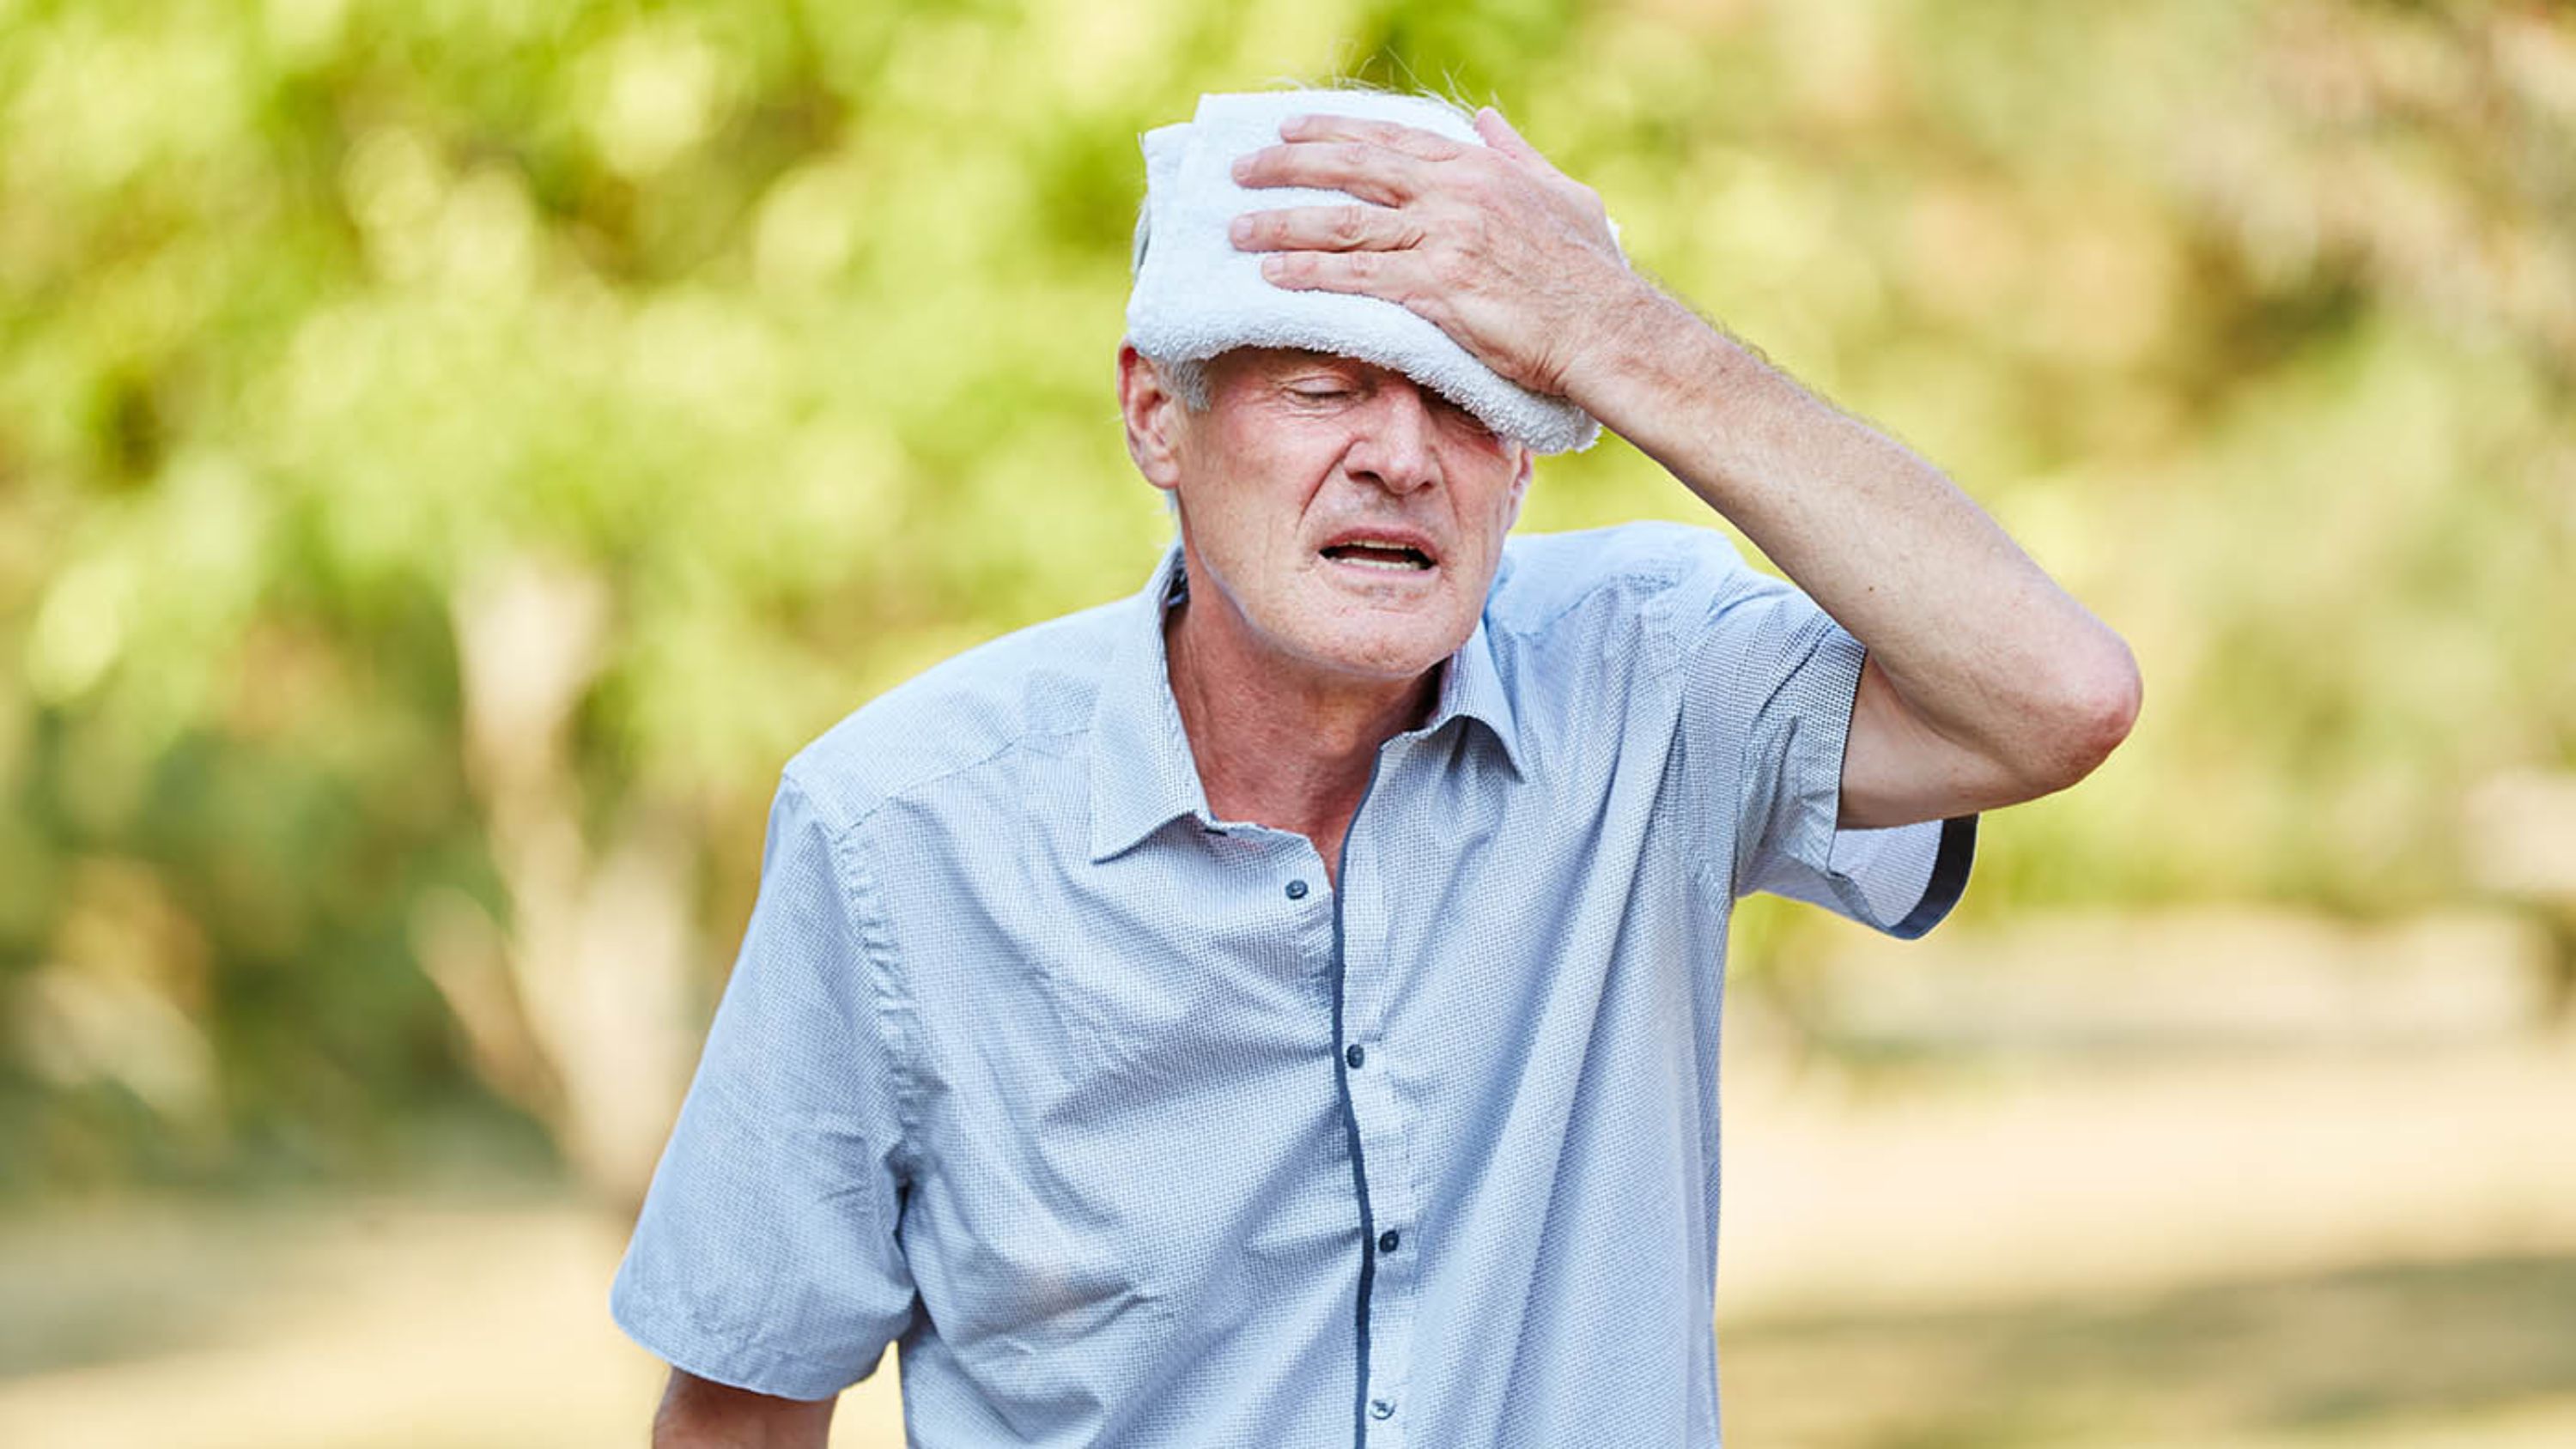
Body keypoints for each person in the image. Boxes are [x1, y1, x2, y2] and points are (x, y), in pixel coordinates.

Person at [612, 88, 2139, 1448]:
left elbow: (2057, 699)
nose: (1405, 457)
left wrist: (1612, 329)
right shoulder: (900, 831)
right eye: (1326, 387)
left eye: (1476, 396)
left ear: (1534, 451)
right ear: (1159, 415)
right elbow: (743, 1410)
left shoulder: (1653, 681)